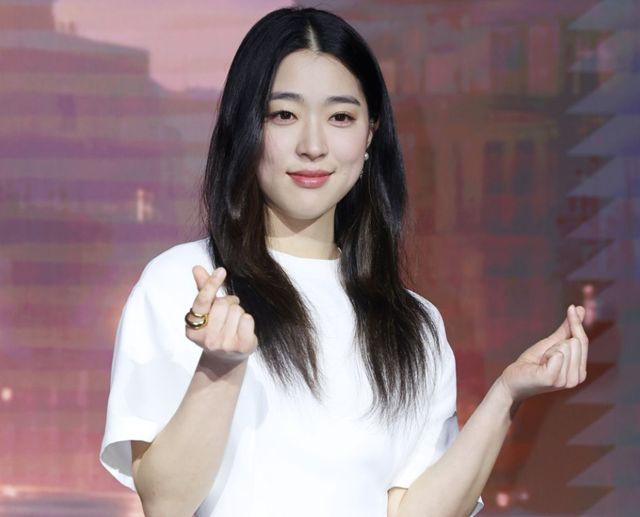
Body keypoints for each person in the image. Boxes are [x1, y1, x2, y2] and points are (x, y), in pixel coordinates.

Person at [99, 7, 589, 517]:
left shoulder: (414, 324)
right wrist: (219, 368)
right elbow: (166, 503)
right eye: (283, 115)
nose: (313, 146)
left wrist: (506, 395)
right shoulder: (184, 284)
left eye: (340, 118)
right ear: (245, 127)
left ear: (371, 134)